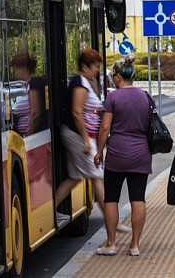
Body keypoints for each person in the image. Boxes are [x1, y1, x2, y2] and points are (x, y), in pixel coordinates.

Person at [93, 55, 151, 256]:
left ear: (118, 77)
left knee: (111, 199)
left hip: (117, 154)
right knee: (138, 199)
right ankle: (134, 245)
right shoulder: (145, 96)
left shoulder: (113, 98)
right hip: (141, 153)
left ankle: (111, 244)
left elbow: (105, 128)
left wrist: (99, 151)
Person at [54, 48, 107, 226]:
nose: (97, 70)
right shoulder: (79, 84)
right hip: (78, 136)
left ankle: (52, 208)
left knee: (75, 177)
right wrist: (85, 139)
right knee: (97, 176)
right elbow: (76, 112)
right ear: (84, 66)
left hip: (81, 135)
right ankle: (110, 218)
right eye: (94, 67)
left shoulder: (87, 82)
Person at [10, 52, 47, 135]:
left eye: (16, 69)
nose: (15, 73)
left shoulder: (33, 83)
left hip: (35, 137)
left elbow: (35, 113)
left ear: (24, 68)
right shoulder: (30, 84)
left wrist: (29, 135)